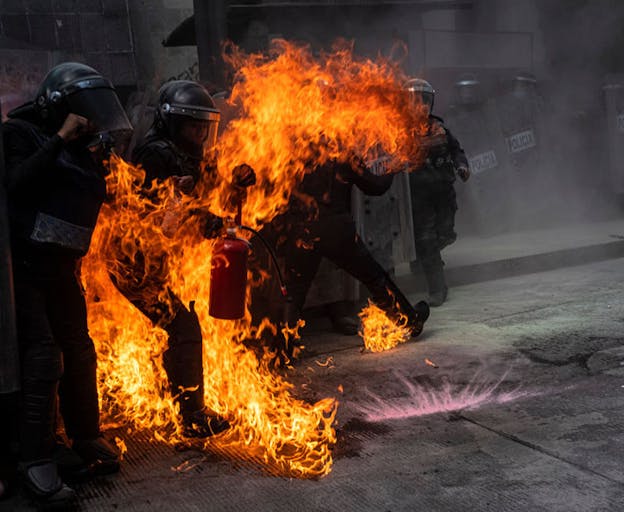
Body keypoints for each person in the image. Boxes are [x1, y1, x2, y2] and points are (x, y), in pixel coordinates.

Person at [2, 62, 131, 507]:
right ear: (59, 108)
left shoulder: (83, 150)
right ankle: (34, 461)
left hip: (62, 267)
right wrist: (59, 139)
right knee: (42, 355)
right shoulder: (20, 134)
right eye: (83, 112)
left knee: (79, 348)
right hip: (24, 266)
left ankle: (85, 436)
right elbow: (16, 184)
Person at [110, 80, 237, 438]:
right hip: (133, 262)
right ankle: (193, 416)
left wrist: (233, 186)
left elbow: (198, 199)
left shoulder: (189, 156)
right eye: (192, 125)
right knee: (184, 328)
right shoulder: (156, 155)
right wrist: (189, 210)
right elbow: (153, 217)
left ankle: (174, 397)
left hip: (154, 261)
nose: (199, 133)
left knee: (176, 329)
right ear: (171, 122)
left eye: (203, 126)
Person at [251, 157, 430, 365]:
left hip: (302, 233)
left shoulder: (293, 154)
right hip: (336, 231)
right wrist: (393, 168)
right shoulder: (342, 154)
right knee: (374, 277)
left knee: (294, 292)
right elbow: (376, 186)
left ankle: (281, 352)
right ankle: (409, 321)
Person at [405, 78, 470, 306]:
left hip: (444, 193)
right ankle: (437, 288)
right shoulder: (399, 132)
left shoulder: (440, 128)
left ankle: (424, 257)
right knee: (427, 240)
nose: (421, 106)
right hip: (419, 196)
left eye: (425, 101)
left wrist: (462, 166)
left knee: (445, 234)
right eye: (415, 101)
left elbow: (456, 150)